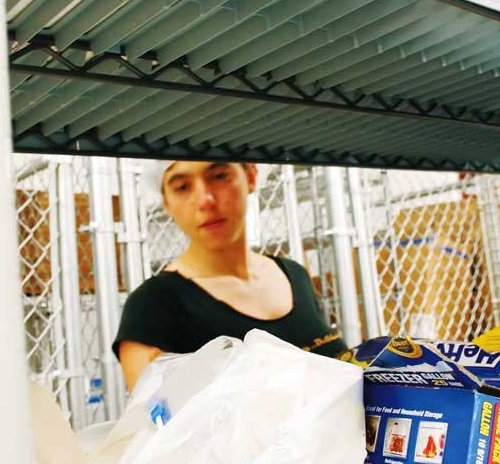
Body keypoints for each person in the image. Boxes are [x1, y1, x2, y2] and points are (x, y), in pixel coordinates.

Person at [113, 160, 346, 391]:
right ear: (166, 202)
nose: (205, 200)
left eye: (219, 176)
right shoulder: (152, 307)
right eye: (182, 187)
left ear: (251, 176)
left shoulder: (295, 275)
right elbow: (150, 424)